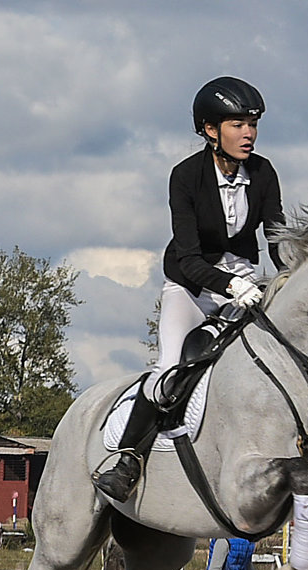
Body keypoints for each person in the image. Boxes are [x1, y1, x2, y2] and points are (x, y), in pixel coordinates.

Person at [96, 76, 285, 502]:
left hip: (247, 289)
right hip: (191, 288)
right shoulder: (185, 177)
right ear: (210, 130)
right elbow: (190, 258)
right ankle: (128, 461)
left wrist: (292, 275)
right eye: (237, 124)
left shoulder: (263, 172)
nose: (249, 133)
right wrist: (231, 284)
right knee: (168, 369)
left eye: (252, 124)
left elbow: (277, 238)